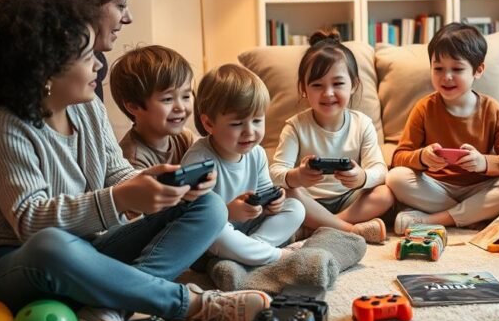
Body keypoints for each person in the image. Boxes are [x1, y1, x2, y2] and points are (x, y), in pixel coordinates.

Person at [0, 0, 269, 321]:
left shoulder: (86, 107)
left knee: (210, 207)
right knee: (52, 245)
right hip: (12, 264)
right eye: (86, 55)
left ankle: (110, 304)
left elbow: (115, 173)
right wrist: (121, 198)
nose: (98, 64)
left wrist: (163, 189)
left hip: (90, 251)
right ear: (44, 69)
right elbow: (29, 222)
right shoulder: (5, 125)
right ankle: (193, 305)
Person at [387, 22, 499, 234]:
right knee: (396, 177)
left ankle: (436, 220)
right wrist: (422, 157)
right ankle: (468, 216)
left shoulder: (492, 110)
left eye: (457, 69)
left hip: (478, 189)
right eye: (438, 69)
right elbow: (399, 157)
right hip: (435, 188)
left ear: (478, 70)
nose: (446, 77)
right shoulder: (424, 108)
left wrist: (483, 162)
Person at [270, 29, 394, 244]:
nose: (328, 93)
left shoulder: (362, 124)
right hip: (308, 200)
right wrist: (297, 176)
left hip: (350, 201)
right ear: (303, 88)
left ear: (353, 85)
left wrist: (361, 177)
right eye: (317, 85)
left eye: (338, 84)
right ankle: (351, 231)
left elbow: (380, 170)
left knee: (385, 194)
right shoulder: (295, 126)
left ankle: (319, 227)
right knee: (285, 193)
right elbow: (275, 172)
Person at [181, 64, 306, 267]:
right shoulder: (199, 160)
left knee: (296, 208)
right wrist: (229, 212)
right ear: (209, 124)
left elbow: (265, 190)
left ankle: (253, 250)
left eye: (257, 120)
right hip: (211, 233)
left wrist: (273, 201)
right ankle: (276, 256)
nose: (250, 132)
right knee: (218, 233)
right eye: (237, 124)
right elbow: (195, 217)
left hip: (246, 229)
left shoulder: (256, 153)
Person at [22, 0, 133, 101]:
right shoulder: (6, 118)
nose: (129, 18)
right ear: (82, 4)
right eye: (121, 5)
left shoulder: (94, 67)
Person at [109, 45, 197, 169]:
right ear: (134, 106)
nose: (181, 107)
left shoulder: (184, 137)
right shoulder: (132, 159)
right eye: (168, 99)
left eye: (186, 96)